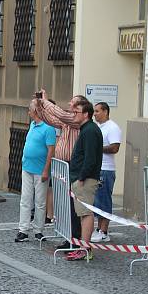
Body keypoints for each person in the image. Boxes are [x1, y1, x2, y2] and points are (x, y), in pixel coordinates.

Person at [34, 90, 88, 249]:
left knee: (72, 205)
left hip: (72, 165)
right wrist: (39, 106)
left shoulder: (75, 120)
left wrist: (45, 101)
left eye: (73, 103)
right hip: (63, 165)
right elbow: (50, 119)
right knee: (64, 203)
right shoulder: (68, 120)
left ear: (81, 107)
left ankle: (75, 238)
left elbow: (59, 114)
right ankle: (68, 235)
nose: (70, 104)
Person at [65, 99, 103, 261]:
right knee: (82, 213)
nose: (73, 114)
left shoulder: (89, 131)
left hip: (85, 179)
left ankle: (84, 248)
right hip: (82, 178)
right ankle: (83, 247)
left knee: (86, 213)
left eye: (76, 112)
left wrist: (81, 177)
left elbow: (90, 158)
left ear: (86, 114)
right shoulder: (87, 129)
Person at [15, 100, 56, 242]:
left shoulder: (48, 128)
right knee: (25, 199)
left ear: (36, 112)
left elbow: (51, 150)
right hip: (27, 167)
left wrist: (46, 170)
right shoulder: (32, 125)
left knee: (40, 201)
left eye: (30, 109)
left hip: (40, 170)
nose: (28, 112)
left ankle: (38, 230)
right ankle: (23, 230)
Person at [91, 102, 121, 242]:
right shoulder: (98, 127)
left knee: (104, 200)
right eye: (94, 111)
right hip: (98, 168)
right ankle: (98, 228)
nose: (95, 113)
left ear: (105, 112)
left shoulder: (112, 127)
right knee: (97, 201)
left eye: (97, 111)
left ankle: (104, 231)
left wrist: (97, 148)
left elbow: (115, 148)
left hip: (106, 169)